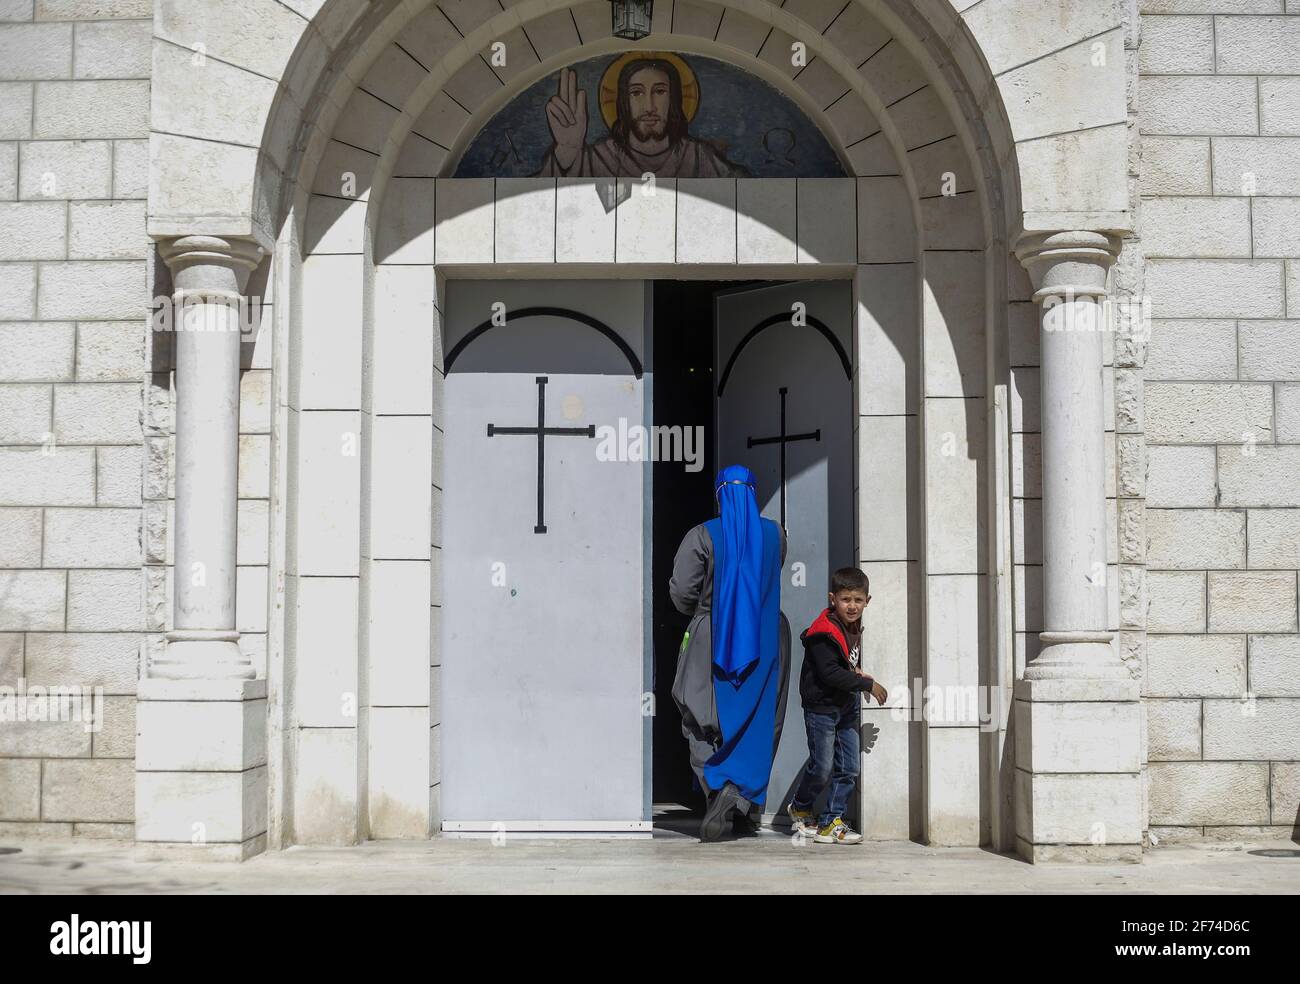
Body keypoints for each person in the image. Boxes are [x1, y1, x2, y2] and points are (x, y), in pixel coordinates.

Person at [668, 464, 789, 842]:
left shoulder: (702, 534)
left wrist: (706, 614)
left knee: (698, 714)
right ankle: (744, 800)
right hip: (767, 635)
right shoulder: (776, 535)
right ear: (753, 494)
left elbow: (682, 592)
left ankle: (717, 789)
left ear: (719, 495)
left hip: (711, 636)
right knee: (760, 717)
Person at [787, 567, 888, 845]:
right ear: (833, 599)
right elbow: (829, 673)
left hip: (845, 706)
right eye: (846, 599)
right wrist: (867, 685)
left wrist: (856, 673)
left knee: (849, 768)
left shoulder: (851, 626)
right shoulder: (824, 633)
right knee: (822, 766)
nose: (852, 606)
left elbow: (844, 662)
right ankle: (801, 806)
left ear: (868, 600)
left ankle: (831, 821)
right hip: (822, 708)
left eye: (858, 600)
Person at [537, 59, 746, 177]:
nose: (649, 107)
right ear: (623, 102)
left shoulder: (699, 158)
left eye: (660, 92)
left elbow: (748, 200)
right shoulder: (596, 159)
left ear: (674, 100)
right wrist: (567, 151)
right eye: (636, 93)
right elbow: (533, 207)